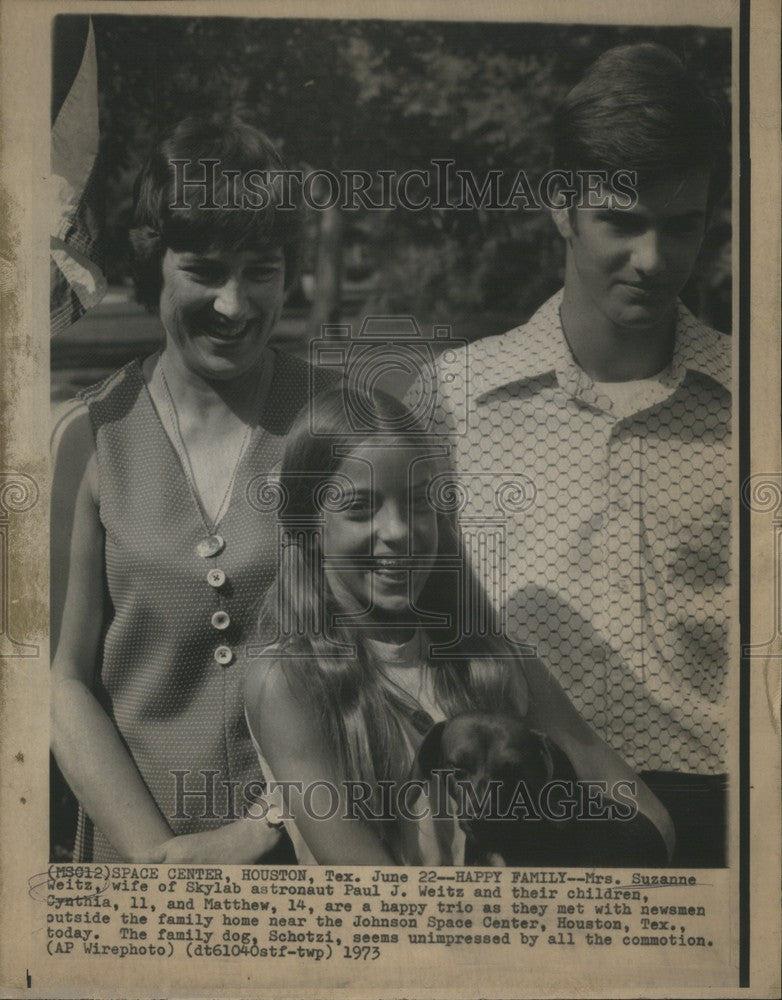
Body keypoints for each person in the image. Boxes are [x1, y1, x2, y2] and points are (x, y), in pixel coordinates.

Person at [424, 43, 731, 865]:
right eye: (623, 222)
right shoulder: (449, 400)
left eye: (684, 225)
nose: (657, 260)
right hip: (516, 822)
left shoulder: (760, 406)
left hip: (723, 825)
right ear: (562, 204)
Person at [50, 115, 335, 863]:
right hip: (135, 872)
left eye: (261, 269)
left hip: (319, 862)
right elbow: (63, 680)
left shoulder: (346, 426)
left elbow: (403, 662)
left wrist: (265, 828)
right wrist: (157, 860)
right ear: (154, 264)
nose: (235, 305)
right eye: (205, 270)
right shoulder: (90, 434)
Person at [243, 387, 674, 865]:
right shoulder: (290, 682)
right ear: (307, 526)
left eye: (418, 503)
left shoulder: (495, 662)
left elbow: (648, 816)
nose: (399, 531)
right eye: (361, 508)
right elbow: (370, 890)